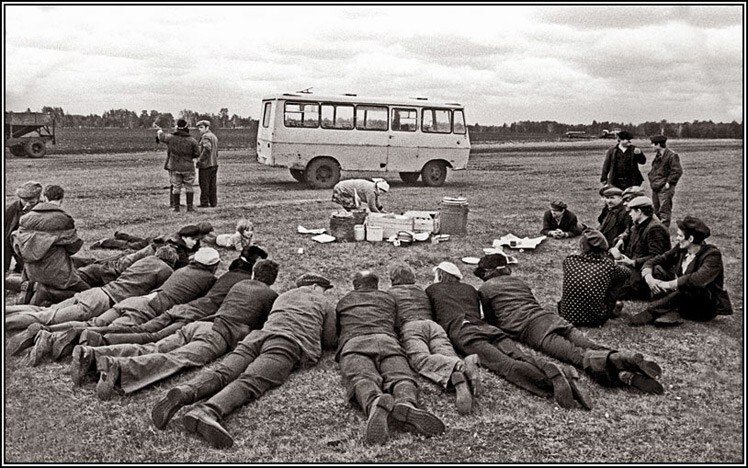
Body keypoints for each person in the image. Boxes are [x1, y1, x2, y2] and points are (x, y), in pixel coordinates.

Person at [148, 273, 336, 449]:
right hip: (287, 344)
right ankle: (207, 411)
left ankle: (186, 391)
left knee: (223, 371)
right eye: (324, 289)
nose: (325, 293)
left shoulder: (283, 296)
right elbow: (329, 339)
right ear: (314, 286)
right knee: (251, 381)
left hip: (257, 337)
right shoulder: (322, 301)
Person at [72, 260, 279, 400]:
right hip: (217, 336)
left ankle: (94, 353)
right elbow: (262, 326)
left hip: (200, 324)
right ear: (272, 280)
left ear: (253, 273)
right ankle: (119, 367)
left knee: (154, 346)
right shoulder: (269, 295)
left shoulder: (240, 284)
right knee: (176, 359)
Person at [474, 253, 664, 395]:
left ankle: (619, 369)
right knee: (590, 345)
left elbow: (492, 321)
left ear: (487, 273)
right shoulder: (519, 282)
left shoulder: (485, 289)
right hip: (549, 317)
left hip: (531, 330)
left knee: (576, 356)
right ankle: (623, 363)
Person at [6, 246, 218, 360]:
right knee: (95, 328)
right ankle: (44, 333)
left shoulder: (146, 260)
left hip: (102, 292)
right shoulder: (168, 271)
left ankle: (17, 317)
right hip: (114, 301)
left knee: (45, 310)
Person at [426, 262, 589, 410]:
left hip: (464, 332)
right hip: (488, 328)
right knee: (521, 355)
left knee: (505, 365)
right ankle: (564, 375)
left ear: (439, 275)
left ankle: (550, 384)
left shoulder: (431, 290)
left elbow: (431, 319)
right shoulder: (469, 289)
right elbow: (483, 314)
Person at [78, 246, 268, 347]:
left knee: (141, 329)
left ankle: (96, 334)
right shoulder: (225, 282)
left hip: (172, 307)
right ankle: (103, 340)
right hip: (189, 314)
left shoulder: (185, 269)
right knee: (153, 337)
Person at [337, 270, 445, 445]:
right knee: (402, 376)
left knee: (361, 377)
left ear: (355, 285)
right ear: (376, 284)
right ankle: (406, 402)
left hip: (355, 343)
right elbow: (396, 324)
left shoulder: (344, 301)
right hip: (387, 341)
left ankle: (375, 402)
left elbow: (336, 331)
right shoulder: (388, 299)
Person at [387, 263, 481, 415]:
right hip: (433, 325)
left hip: (411, 327)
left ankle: (461, 366)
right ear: (414, 278)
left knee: (420, 359)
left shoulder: (390, 294)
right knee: (446, 353)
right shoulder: (422, 291)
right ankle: (458, 375)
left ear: (392, 280)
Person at [628, 216, 733, 327]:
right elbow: (656, 260)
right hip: (681, 297)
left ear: (691, 239)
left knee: (688, 288)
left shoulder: (712, 255)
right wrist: (649, 278)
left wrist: (667, 284)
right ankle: (671, 312)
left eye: (679, 235)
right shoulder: (681, 248)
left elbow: (697, 280)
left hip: (703, 306)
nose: (677, 239)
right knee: (657, 270)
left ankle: (652, 312)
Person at [11, 185, 91, 306]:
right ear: (62, 200)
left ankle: (37, 291)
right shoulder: (64, 219)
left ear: (44, 197)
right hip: (58, 272)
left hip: (31, 273)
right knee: (89, 293)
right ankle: (46, 293)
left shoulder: (25, 218)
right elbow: (73, 248)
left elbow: (18, 245)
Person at [558, 229, 631, 327]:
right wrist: (617, 260)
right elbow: (627, 273)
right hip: (595, 319)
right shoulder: (608, 265)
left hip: (567, 315)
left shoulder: (570, 260)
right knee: (619, 277)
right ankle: (611, 307)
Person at [609, 196, 671, 301]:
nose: (629, 214)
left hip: (646, 272)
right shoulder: (638, 226)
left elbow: (657, 256)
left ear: (639, 211)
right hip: (634, 269)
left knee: (613, 292)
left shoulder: (655, 228)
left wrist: (633, 262)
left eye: (631, 211)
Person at [155, 119, 200, 212]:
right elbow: (197, 153)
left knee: (176, 187)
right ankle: (190, 207)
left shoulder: (170, 138)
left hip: (175, 167)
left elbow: (161, 136)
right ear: (186, 127)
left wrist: (159, 131)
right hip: (188, 167)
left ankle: (176, 207)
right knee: (189, 187)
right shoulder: (192, 140)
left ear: (177, 127)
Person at [5, 181, 43, 274]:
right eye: (25, 201)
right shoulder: (10, 211)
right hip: (19, 248)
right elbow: (6, 240)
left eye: (32, 201)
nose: (28, 204)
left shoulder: (44, 209)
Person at [647, 135, 683, 229]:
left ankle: (664, 231)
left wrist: (669, 183)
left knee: (664, 210)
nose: (651, 146)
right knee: (656, 210)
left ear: (658, 144)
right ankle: (657, 229)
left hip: (664, 187)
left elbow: (677, 171)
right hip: (656, 186)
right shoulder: (658, 156)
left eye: (653, 144)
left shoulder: (672, 155)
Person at [196, 120, 219, 208]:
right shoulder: (213, 136)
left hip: (206, 165)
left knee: (204, 184)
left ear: (207, 128)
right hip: (214, 164)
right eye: (199, 127)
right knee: (212, 185)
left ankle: (204, 203)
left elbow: (207, 148)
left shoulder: (205, 136)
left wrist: (200, 160)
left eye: (201, 127)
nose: (199, 129)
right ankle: (213, 202)